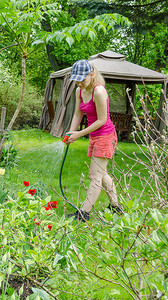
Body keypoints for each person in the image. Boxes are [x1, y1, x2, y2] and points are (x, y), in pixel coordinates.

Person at [64, 59, 123, 222]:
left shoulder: (99, 91)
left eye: (82, 79)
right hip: (94, 137)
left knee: (94, 176)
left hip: (106, 136)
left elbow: (102, 120)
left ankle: (83, 213)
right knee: (102, 174)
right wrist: (71, 132)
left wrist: (80, 133)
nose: (79, 83)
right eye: (76, 79)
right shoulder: (79, 91)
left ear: (92, 74)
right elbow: (78, 114)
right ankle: (116, 206)